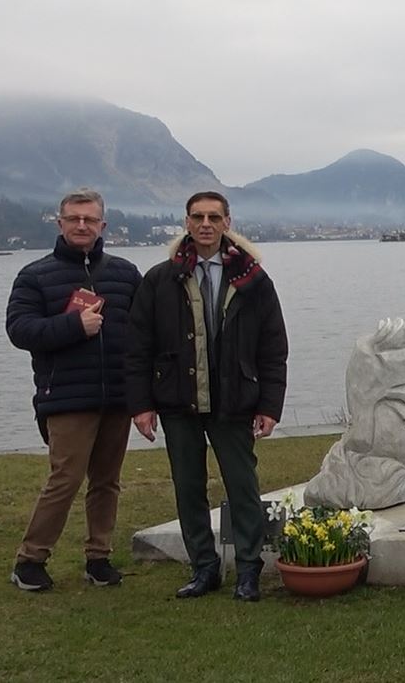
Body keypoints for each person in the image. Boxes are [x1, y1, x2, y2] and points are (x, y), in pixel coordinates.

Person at [126, 191, 288, 602]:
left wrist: (269, 406)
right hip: (178, 401)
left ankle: (248, 571)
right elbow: (138, 347)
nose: (205, 224)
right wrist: (142, 405)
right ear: (186, 223)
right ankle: (204, 568)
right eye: (197, 216)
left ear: (227, 222)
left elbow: (273, 347)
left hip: (234, 400)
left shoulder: (252, 280)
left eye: (214, 217)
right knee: (188, 485)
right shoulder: (160, 280)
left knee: (242, 486)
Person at [5, 188, 141, 592]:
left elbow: (143, 333)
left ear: (103, 226)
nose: (82, 226)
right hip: (65, 397)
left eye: (90, 219)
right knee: (64, 479)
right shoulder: (35, 276)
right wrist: (73, 327)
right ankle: (30, 559)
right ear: (60, 223)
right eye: (73, 219)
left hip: (116, 397)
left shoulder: (125, 274)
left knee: (107, 481)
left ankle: (98, 557)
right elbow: (19, 330)